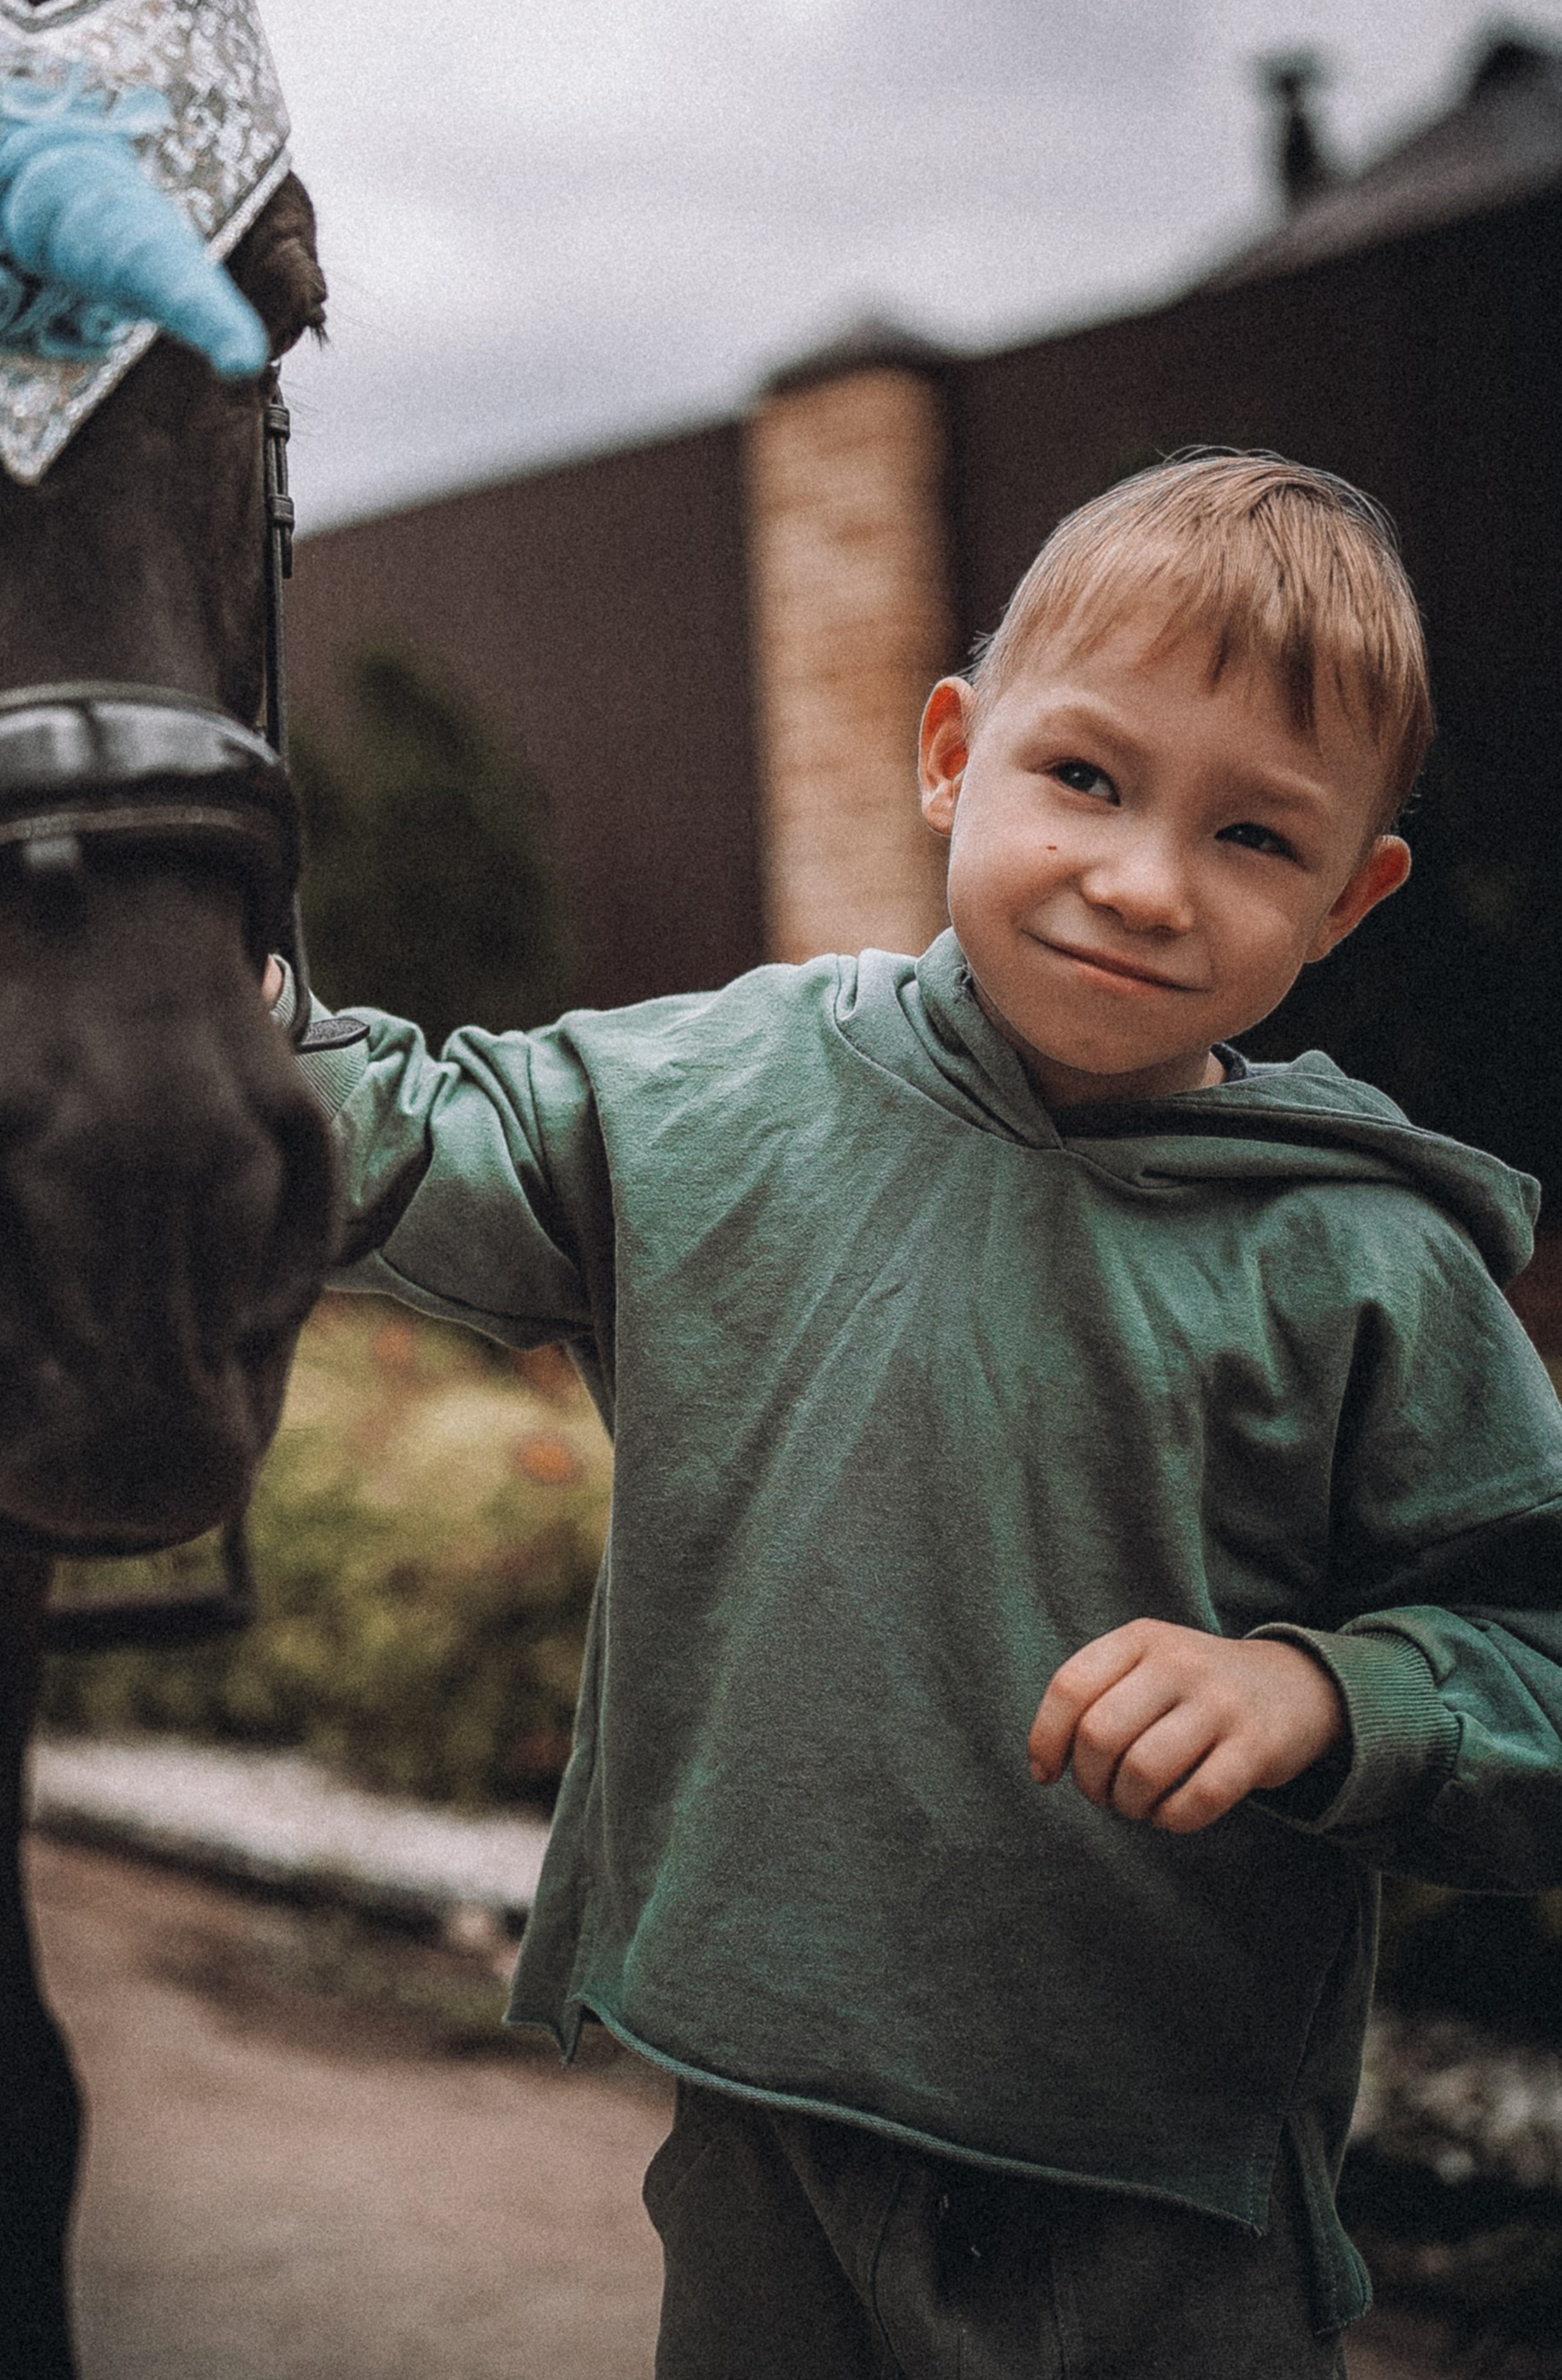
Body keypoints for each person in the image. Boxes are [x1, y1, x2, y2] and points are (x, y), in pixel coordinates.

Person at [272, 452, 1562, 2376]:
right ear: (952, 750)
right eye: (1084, 779)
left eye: (1252, 838)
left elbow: (1530, 1662)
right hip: (756, 2137)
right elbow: (395, 1145)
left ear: (1352, 894)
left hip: (1154, 2198)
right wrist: (211, 1011)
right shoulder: (717, 1093)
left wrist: (1322, 1693)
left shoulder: (1365, 1259)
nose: (1139, 880)